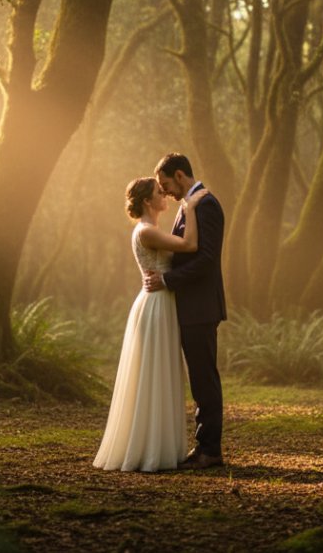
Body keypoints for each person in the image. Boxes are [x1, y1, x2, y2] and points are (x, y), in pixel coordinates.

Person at [94, 176, 204, 472]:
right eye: (159, 192)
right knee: (153, 373)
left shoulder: (151, 229)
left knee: (160, 372)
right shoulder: (145, 232)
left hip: (161, 302)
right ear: (147, 201)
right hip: (155, 305)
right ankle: (149, 449)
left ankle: (159, 445)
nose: (164, 194)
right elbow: (190, 244)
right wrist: (190, 205)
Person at [144, 153, 226, 470]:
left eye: (165, 184)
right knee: (198, 378)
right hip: (191, 306)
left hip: (201, 306)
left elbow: (206, 259)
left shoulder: (206, 205)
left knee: (205, 378)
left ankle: (211, 450)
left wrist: (167, 279)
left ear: (180, 175)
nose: (164, 192)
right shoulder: (190, 205)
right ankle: (203, 446)